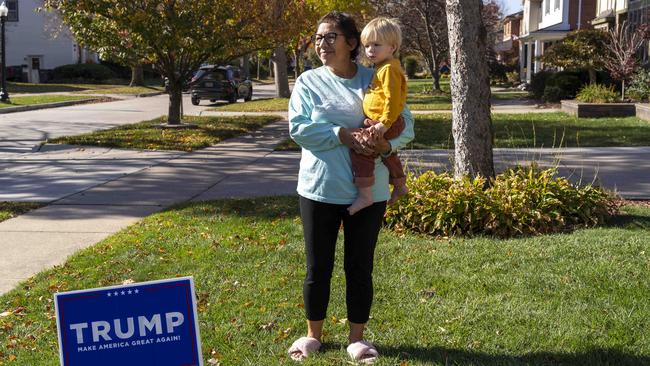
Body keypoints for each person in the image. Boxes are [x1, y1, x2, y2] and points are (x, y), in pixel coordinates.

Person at [286, 11, 415, 363]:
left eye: (329, 37)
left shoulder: (376, 77)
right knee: (318, 267)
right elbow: (299, 129)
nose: (321, 44)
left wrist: (384, 146)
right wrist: (344, 135)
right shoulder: (308, 82)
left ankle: (356, 339)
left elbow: (407, 125)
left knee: (359, 266)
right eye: (318, 38)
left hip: (370, 195)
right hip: (319, 189)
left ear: (351, 43)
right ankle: (313, 335)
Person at [348, 17, 409, 215]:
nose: (370, 50)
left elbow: (393, 99)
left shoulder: (389, 69)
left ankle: (365, 196)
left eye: (376, 44)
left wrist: (384, 124)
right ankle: (400, 185)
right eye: (367, 45)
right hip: (382, 121)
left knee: (362, 149)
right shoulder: (382, 67)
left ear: (392, 47)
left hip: (387, 122)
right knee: (387, 153)